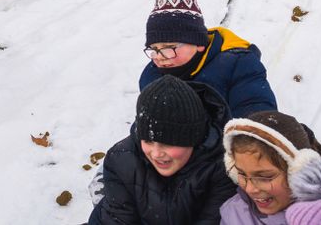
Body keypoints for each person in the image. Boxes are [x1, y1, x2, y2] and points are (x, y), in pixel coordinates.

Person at [87, 75, 237, 224]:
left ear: (193, 138)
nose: (156, 153)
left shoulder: (225, 167)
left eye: (168, 144)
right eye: (148, 141)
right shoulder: (122, 160)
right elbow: (117, 219)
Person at [140, 0, 278, 119]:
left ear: (198, 43)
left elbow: (255, 109)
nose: (159, 57)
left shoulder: (238, 65)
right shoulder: (151, 75)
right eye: (154, 49)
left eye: (168, 48)